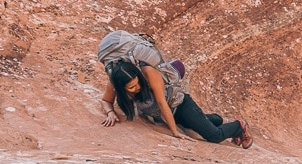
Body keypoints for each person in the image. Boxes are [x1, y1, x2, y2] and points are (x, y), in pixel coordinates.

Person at [100, 60, 253, 148]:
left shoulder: (148, 74)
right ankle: (216, 119)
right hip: (166, 116)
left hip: (180, 106)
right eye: (131, 88)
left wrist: (175, 133)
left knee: (213, 135)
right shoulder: (115, 84)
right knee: (205, 123)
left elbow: (161, 102)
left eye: (137, 83)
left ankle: (239, 126)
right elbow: (106, 101)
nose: (137, 88)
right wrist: (110, 112)